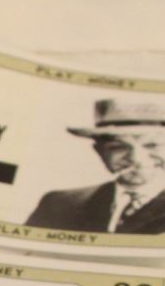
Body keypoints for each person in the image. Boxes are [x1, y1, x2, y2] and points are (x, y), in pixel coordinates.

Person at [26, 98, 165, 234]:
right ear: (100, 151)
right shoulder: (59, 204)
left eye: (152, 145)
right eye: (118, 147)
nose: (136, 158)